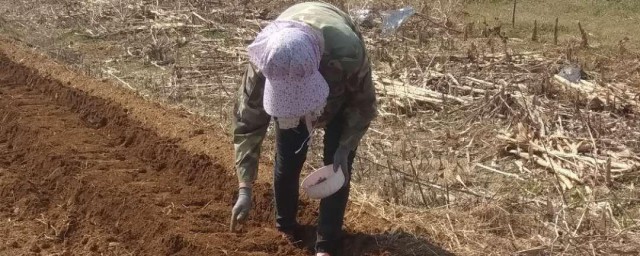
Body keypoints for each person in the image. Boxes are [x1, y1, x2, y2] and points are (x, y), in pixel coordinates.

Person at [230, 2, 376, 255]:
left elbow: (362, 105)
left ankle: (327, 245)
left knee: (337, 166)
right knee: (289, 156)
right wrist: (245, 187)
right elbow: (247, 124)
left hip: (337, 87)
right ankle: (285, 229)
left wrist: (345, 146)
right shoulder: (265, 63)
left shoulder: (347, 54)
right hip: (292, 73)